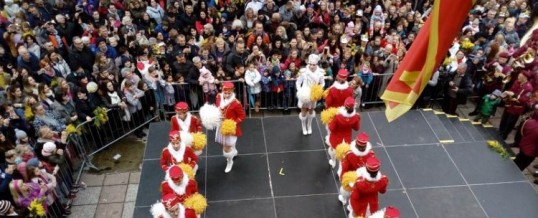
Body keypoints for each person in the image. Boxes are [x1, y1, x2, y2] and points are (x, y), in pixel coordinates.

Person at [215, 82, 246, 173]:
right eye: (225, 93)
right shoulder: (218, 97)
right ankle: (234, 151)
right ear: (222, 91)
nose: (227, 95)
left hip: (230, 128)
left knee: (226, 148)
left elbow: (242, 116)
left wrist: (233, 124)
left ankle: (230, 161)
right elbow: (216, 107)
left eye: (229, 93)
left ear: (232, 92)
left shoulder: (236, 103)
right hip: (220, 125)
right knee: (228, 144)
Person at [338, 132, 376, 205]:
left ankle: (343, 199)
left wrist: (342, 177)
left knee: (345, 191)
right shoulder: (371, 154)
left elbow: (345, 168)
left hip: (351, 177)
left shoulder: (349, 154)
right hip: (363, 180)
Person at [296, 54, 325, 135]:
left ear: (317, 64)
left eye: (314, 65)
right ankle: (303, 126)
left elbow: (322, 83)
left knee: (311, 111)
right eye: (311, 64)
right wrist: (300, 91)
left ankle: (309, 125)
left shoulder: (320, 73)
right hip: (304, 95)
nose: (312, 66)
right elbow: (298, 83)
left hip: (313, 95)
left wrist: (318, 90)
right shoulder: (303, 72)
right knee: (304, 112)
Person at [327, 97, 360, 168]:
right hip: (347, 139)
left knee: (332, 150)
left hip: (336, 138)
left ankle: (333, 162)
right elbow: (356, 128)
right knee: (344, 154)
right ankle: (341, 167)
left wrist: (330, 121)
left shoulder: (337, 116)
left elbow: (331, 128)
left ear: (344, 106)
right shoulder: (356, 117)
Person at [513, 104, 538, 171]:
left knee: (517, 160)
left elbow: (522, 133)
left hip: (523, 146)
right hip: (532, 153)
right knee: (521, 166)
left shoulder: (528, 122)